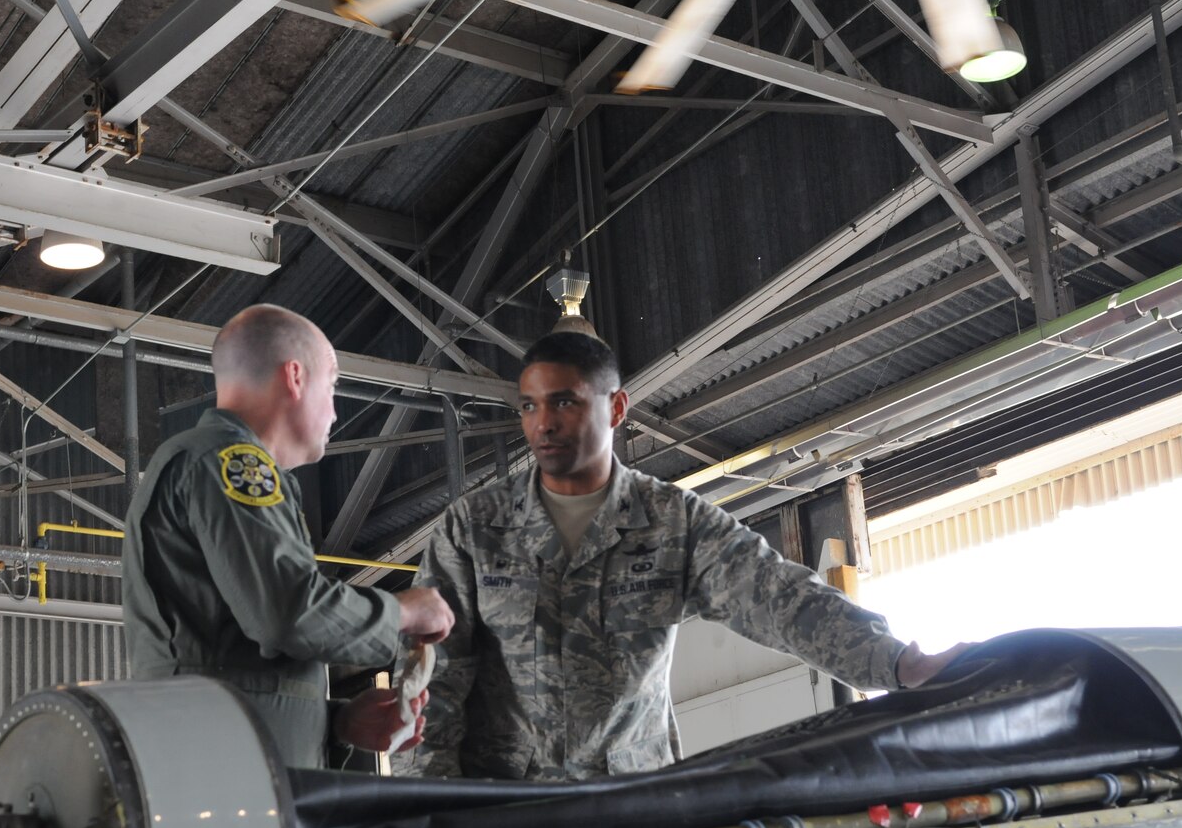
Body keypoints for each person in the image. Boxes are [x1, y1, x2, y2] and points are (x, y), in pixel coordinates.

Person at [400, 332, 962, 781]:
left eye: (565, 402)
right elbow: (433, 681)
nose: (542, 423)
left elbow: (779, 597)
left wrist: (897, 664)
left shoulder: (673, 521)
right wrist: (432, 810)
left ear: (616, 408)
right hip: (503, 811)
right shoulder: (475, 530)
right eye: (529, 406)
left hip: (633, 800)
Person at [123, 304, 454, 769]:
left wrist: (335, 724)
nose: (336, 412)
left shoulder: (213, 462)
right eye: (333, 385)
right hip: (228, 781)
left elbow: (235, 655)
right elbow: (288, 614)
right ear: (295, 377)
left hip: (233, 768)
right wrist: (402, 611)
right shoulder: (232, 463)